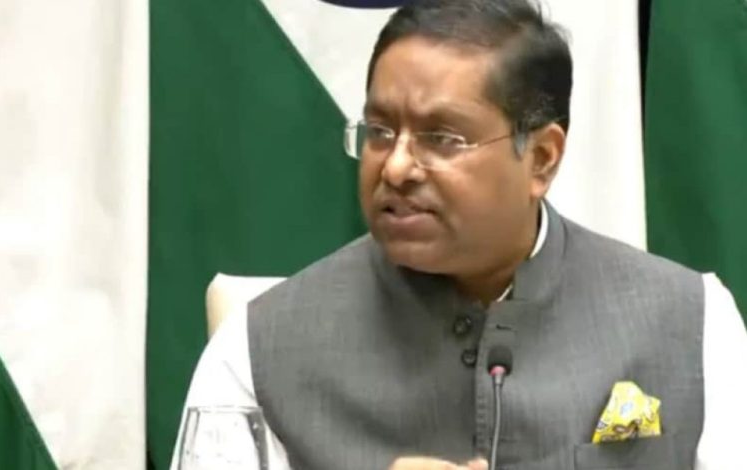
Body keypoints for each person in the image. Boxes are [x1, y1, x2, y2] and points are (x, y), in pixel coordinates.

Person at [173, 0, 747, 469]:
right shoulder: (258, 349)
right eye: (380, 131)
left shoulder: (692, 325)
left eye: (442, 138)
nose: (397, 167)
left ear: (542, 158)